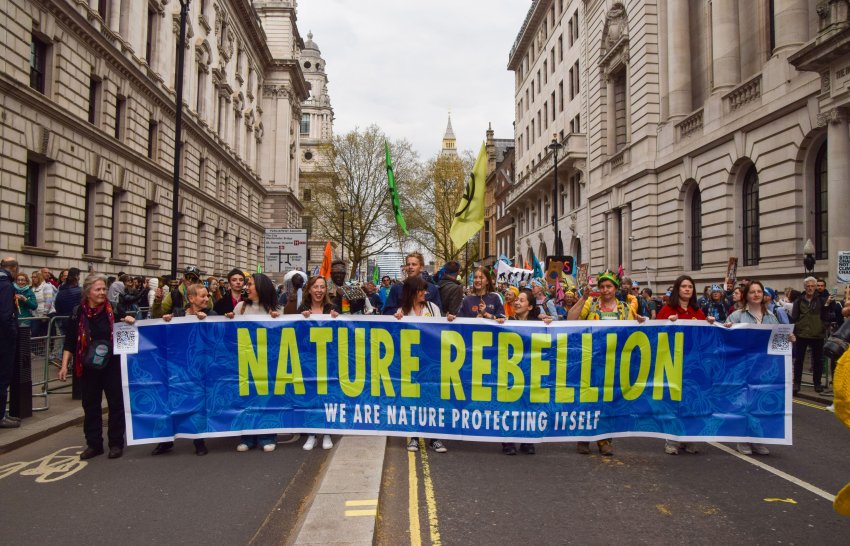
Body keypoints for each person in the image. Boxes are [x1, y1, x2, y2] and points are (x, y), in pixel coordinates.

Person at [568, 271, 645, 455]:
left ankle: (605, 440)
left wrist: (641, 322)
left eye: (609, 286)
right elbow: (571, 318)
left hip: (614, 363)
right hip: (591, 361)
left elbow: (635, 331)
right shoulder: (591, 304)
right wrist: (582, 299)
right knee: (588, 399)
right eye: (602, 286)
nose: (605, 290)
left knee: (608, 401)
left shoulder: (625, 309)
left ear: (615, 288)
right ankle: (584, 438)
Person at [59, 274, 136, 459]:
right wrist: (63, 366)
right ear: (88, 292)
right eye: (98, 289)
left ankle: (116, 444)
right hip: (88, 367)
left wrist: (129, 322)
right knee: (90, 405)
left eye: (104, 289)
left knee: (116, 404)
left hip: (112, 366)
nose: (102, 293)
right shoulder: (78, 312)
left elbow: (128, 336)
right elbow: (69, 342)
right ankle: (94, 444)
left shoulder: (114, 310)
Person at [724, 281, 794, 455]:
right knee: (744, 403)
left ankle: (758, 439)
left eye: (759, 291)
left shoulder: (771, 317)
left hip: (764, 368)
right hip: (743, 367)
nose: (756, 294)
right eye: (752, 292)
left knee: (760, 404)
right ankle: (744, 439)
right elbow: (725, 340)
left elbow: (777, 343)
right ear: (746, 295)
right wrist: (727, 329)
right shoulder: (737, 316)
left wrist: (789, 338)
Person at [150, 284, 216, 456]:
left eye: (207, 296)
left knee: (198, 404)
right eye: (202, 296)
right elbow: (157, 325)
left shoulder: (212, 315)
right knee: (169, 402)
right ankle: (165, 441)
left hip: (199, 368)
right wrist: (164, 321)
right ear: (191, 298)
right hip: (176, 367)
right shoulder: (178, 314)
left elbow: (219, 335)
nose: (206, 299)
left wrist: (207, 321)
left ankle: (199, 441)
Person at [226, 273, 281, 452]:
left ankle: (267, 435)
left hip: (268, 363)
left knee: (266, 399)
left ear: (261, 288)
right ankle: (247, 436)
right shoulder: (240, 308)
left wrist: (278, 320)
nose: (246, 287)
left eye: (249, 284)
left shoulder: (276, 309)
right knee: (247, 399)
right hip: (246, 361)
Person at [394, 275, 447, 454]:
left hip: (430, 362)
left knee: (432, 398)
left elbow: (441, 332)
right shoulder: (402, 311)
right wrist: (396, 321)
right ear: (412, 292)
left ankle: (435, 438)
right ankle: (414, 437)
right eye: (421, 290)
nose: (425, 292)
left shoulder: (433, 308)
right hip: (410, 363)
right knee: (413, 400)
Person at [500, 288, 552, 455]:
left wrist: (550, 324)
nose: (516, 302)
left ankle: (527, 440)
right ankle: (507, 440)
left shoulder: (538, 323)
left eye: (521, 300)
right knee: (510, 404)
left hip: (531, 370)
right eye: (517, 300)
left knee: (529, 404)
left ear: (530, 307)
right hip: (510, 371)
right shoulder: (506, 321)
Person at [297, 276, 339, 450]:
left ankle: (327, 432)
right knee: (311, 397)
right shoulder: (302, 308)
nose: (319, 290)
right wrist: (301, 319)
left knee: (326, 397)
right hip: (308, 361)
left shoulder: (331, 308)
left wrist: (337, 319)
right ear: (309, 289)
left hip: (328, 361)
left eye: (322, 287)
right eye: (316, 287)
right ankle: (312, 433)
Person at [791, 277, 830, 394]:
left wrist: (824, 326)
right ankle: (796, 383)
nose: (810, 288)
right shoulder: (799, 300)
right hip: (801, 334)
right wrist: (794, 329)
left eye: (812, 286)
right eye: (808, 286)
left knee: (818, 360)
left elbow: (826, 315)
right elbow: (794, 317)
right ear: (804, 287)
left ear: (815, 287)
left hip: (817, 334)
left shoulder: (821, 300)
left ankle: (817, 383)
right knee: (799, 360)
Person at [0, 257, 21, 428]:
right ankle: (1, 416)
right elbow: (6, 316)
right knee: (3, 377)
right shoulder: (6, 286)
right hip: (4, 340)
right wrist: (13, 334)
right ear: (13, 268)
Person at [30, 270, 56, 338]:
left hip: (47, 314)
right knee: (35, 333)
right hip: (36, 315)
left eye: (35, 277)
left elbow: (49, 300)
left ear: (40, 277)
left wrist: (45, 314)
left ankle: (50, 348)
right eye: (32, 277)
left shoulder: (47, 286)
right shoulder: (32, 288)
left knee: (48, 335)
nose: (33, 278)